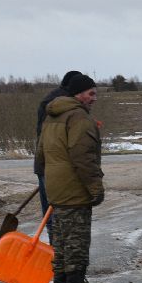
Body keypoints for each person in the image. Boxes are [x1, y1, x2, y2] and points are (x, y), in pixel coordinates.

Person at [35, 71, 107, 283]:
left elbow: (40, 155)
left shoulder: (51, 116)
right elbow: (83, 158)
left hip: (55, 187)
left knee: (62, 238)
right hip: (74, 188)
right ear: (78, 94)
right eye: (91, 93)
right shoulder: (78, 118)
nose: (95, 98)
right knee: (76, 238)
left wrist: (48, 180)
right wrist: (95, 188)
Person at [34, 71, 82, 216]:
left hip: (44, 162)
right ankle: (54, 238)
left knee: (49, 212)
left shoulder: (51, 100)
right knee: (57, 214)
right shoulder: (63, 103)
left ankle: (52, 238)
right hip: (53, 165)